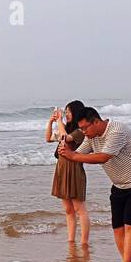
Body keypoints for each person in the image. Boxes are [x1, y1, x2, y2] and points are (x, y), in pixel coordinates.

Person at [56, 107, 131, 262]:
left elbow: (103, 157)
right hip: (119, 185)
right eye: (80, 129)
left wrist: (72, 155)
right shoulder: (91, 136)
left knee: (130, 225)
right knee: (117, 227)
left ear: (96, 121)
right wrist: (66, 152)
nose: (83, 132)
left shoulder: (116, 130)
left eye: (85, 127)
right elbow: (78, 154)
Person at [45, 101, 90, 244]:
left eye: (69, 111)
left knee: (79, 208)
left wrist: (59, 121)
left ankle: (84, 242)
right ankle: (71, 240)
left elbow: (65, 138)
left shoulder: (79, 131)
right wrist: (51, 122)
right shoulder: (66, 128)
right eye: (66, 112)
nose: (66, 114)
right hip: (62, 169)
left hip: (74, 169)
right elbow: (48, 138)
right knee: (68, 209)